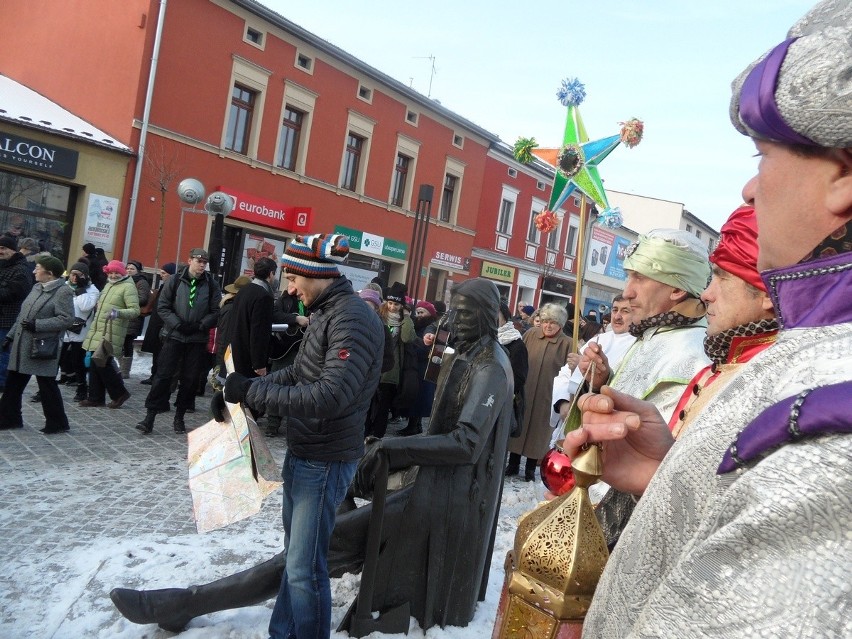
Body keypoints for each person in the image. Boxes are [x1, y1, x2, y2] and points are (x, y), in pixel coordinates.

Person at [568, 3, 852, 635]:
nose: (750, 191)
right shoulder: (813, 355)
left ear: (842, 175)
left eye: (763, 156)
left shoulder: (834, 412)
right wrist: (668, 474)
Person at [110, 277, 514, 635]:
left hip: (440, 498)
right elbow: (305, 374)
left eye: (462, 316)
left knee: (312, 553)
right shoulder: (464, 355)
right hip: (420, 479)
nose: (451, 323)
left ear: (485, 316)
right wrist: (250, 388)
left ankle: (188, 602)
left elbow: (465, 443)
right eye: (453, 314)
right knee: (318, 534)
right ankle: (270, 613)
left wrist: (393, 446)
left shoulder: (489, 366)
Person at [220, 233, 384, 638]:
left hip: (325, 459)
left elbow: (331, 395)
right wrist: (244, 391)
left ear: (316, 274)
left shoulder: (351, 318)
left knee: (304, 568)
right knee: (297, 561)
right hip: (307, 449)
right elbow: (299, 374)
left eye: (293, 278)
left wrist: (254, 391)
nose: (289, 288)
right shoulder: (328, 312)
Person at [137, 248, 221, 435]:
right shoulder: (175, 280)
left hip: (197, 339)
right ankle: (150, 417)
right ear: (189, 260)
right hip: (174, 336)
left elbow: (216, 311)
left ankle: (179, 417)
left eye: (204, 262)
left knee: (190, 380)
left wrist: (200, 325)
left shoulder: (211, 285)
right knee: (162, 376)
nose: (201, 265)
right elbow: (163, 306)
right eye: (198, 261)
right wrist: (177, 324)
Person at [0, 256, 74, 433]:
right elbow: (22, 315)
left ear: (49, 273)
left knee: (47, 385)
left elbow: (66, 319)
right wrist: (10, 337)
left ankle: (58, 423)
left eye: (38, 268)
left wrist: (38, 325)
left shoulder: (62, 291)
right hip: (21, 344)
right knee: (13, 384)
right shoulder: (36, 287)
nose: (34, 271)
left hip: (42, 345)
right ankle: (9, 418)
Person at [506, 302, 571, 481]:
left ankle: (529, 469)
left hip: (547, 396)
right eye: (545, 321)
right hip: (525, 390)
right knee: (521, 424)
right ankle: (512, 464)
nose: (548, 326)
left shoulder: (567, 343)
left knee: (539, 432)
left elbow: (571, 372)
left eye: (553, 322)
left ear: (561, 324)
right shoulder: (531, 334)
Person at [550, 294, 635, 430]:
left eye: (625, 311)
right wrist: (563, 402)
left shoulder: (637, 345)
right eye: (614, 310)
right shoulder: (599, 339)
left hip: (600, 423)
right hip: (570, 415)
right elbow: (564, 374)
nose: (617, 316)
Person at [79, 260, 138, 409]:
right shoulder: (109, 284)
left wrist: (117, 313)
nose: (113, 275)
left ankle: (119, 393)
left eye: (116, 272)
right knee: (95, 363)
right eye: (110, 272)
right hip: (99, 328)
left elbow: (135, 310)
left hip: (112, 331)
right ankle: (95, 397)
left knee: (102, 363)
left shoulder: (128, 287)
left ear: (122, 273)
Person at [365, 282, 416, 438]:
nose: (393, 307)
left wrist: (406, 317)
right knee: (368, 403)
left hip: (390, 370)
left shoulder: (404, 320)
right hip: (372, 366)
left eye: (397, 304)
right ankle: (364, 432)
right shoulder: (379, 316)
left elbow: (407, 338)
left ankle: (377, 436)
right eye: (391, 303)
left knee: (383, 406)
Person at [229, 257, 277, 380]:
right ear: (271, 274)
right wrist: (259, 363)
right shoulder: (264, 296)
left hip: (235, 351)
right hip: (249, 358)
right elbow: (259, 332)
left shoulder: (242, 291)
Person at [58, 262, 100, 402]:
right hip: (63, 329)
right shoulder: (64, 286)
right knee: (56, 359)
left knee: (78, 361)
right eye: (72, 274)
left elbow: (85, 307)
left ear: (85, 276)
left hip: (80, 330)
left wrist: (81, 289)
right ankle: (45, 387)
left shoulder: (92, 290)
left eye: (78, 275)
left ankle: (82, 387)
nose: (74, 277)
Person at [397, 299, 438, 436]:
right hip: (416, 367)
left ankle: (414, 426)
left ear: (430, 314)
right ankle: (414, 425)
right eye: (418, 312)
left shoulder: (430, 328)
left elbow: (427, 348)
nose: (419, 315)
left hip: (423, 368)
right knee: (414, 397)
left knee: (419, 399)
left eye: (422, 312)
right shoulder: (418, 326)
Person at [0, 235, 33, 392]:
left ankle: (3, 384)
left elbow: (18, 292)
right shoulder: (3, 265)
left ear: (13, 250)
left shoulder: (21, 268)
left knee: (4, 353)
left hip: (8, 319)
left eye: (4, 248)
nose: (1, 251)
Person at [139, 262, 176, 385]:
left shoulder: (172, 288)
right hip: (157, 322)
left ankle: (158, 376)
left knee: (162, 353)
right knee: (156, 351)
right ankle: (154, 374)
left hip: (163, 324)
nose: (162, 276)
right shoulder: (164, 286)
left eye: (164, 273)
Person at [498, 301, 529, 442]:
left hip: (501, 402)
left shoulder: (515, 343)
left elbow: (519, 378)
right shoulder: (482, 338)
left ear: (504, 316)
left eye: (495, 313)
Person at [119, 260, 151, 379]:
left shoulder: (141, 282)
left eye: (132, 269)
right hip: (123, 316)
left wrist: (126, 299)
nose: (129, 271)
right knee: (121, 342)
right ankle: (120, 368)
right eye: (127, 268)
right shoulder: (123, 280)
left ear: (138, 270)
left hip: (133, 318)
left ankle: (125, 370)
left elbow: (143, 299)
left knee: (127, 343)